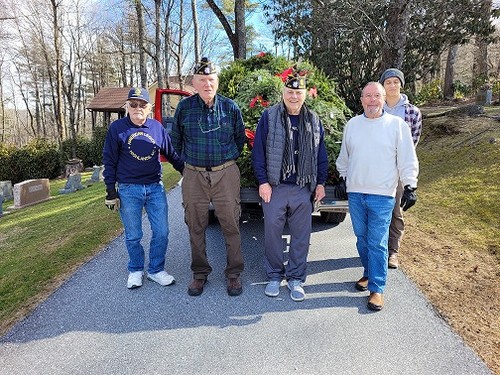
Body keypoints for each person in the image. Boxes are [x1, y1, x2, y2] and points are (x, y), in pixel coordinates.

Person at [335, 82, 419, 311]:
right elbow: (345, 155)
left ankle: (377, 289)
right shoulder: (353, 125)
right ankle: (369, 273)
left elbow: (407, 158)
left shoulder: (396, 126)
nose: (372, 100)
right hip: (356, 194)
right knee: (362, 239)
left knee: (377, 242)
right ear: (361, 100)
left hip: (382, 195)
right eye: (367, 96)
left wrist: (410, 185)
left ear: (383, 99)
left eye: (376, 96)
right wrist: (342, 177)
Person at [171, 57, 246, 297]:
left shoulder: (230, 107)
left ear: (217, 81)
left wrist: (226, 162)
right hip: (194, 174)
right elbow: (176, 141)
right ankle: (199, 273)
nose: (207, 84)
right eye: (202, 80)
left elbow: (240, 140)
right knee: (195, 224)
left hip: (225, 173)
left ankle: (233, 273)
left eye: (211, 80)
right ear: (194, 82)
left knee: (230, 223)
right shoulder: (184, 108)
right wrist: (188, 168)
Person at [251, 67, 328, 302]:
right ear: (283, 92)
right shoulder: (269, 116)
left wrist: (321, 183)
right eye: (290, 92)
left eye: (298, 92)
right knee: (272, 234)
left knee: (301, 235)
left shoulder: (314, 120)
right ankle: (274, 275)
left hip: (302, 187)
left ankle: (295, 278)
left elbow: (320, 153)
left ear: (305, 94)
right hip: (275, 186)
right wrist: (263, 182)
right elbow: (259, 152)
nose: (294, 96)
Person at [103, 87, 184, 289]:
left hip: (155, 188)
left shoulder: (157, 128)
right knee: (133, 235)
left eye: (142, 105)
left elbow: (172, 155)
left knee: (162, 232)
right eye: (133, 104)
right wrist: (110, 191)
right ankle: (136, 269)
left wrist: (189, 174)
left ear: (149, 108)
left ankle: (156, 270)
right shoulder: (117, 129)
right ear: (127, 107)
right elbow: (109, 160)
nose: (138, 108)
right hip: (129, 189)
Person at [380, 68, 422, 269]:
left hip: (396, 170)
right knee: (377, 210)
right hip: (375, 168)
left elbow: (412, 143)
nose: (392, 85)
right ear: (383, 85)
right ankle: (376, 249)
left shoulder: (412, 112)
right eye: (388, 82)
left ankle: (393, 252)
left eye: (396, 82)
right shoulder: (375, 107)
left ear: (401, 85)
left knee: (395, 210)